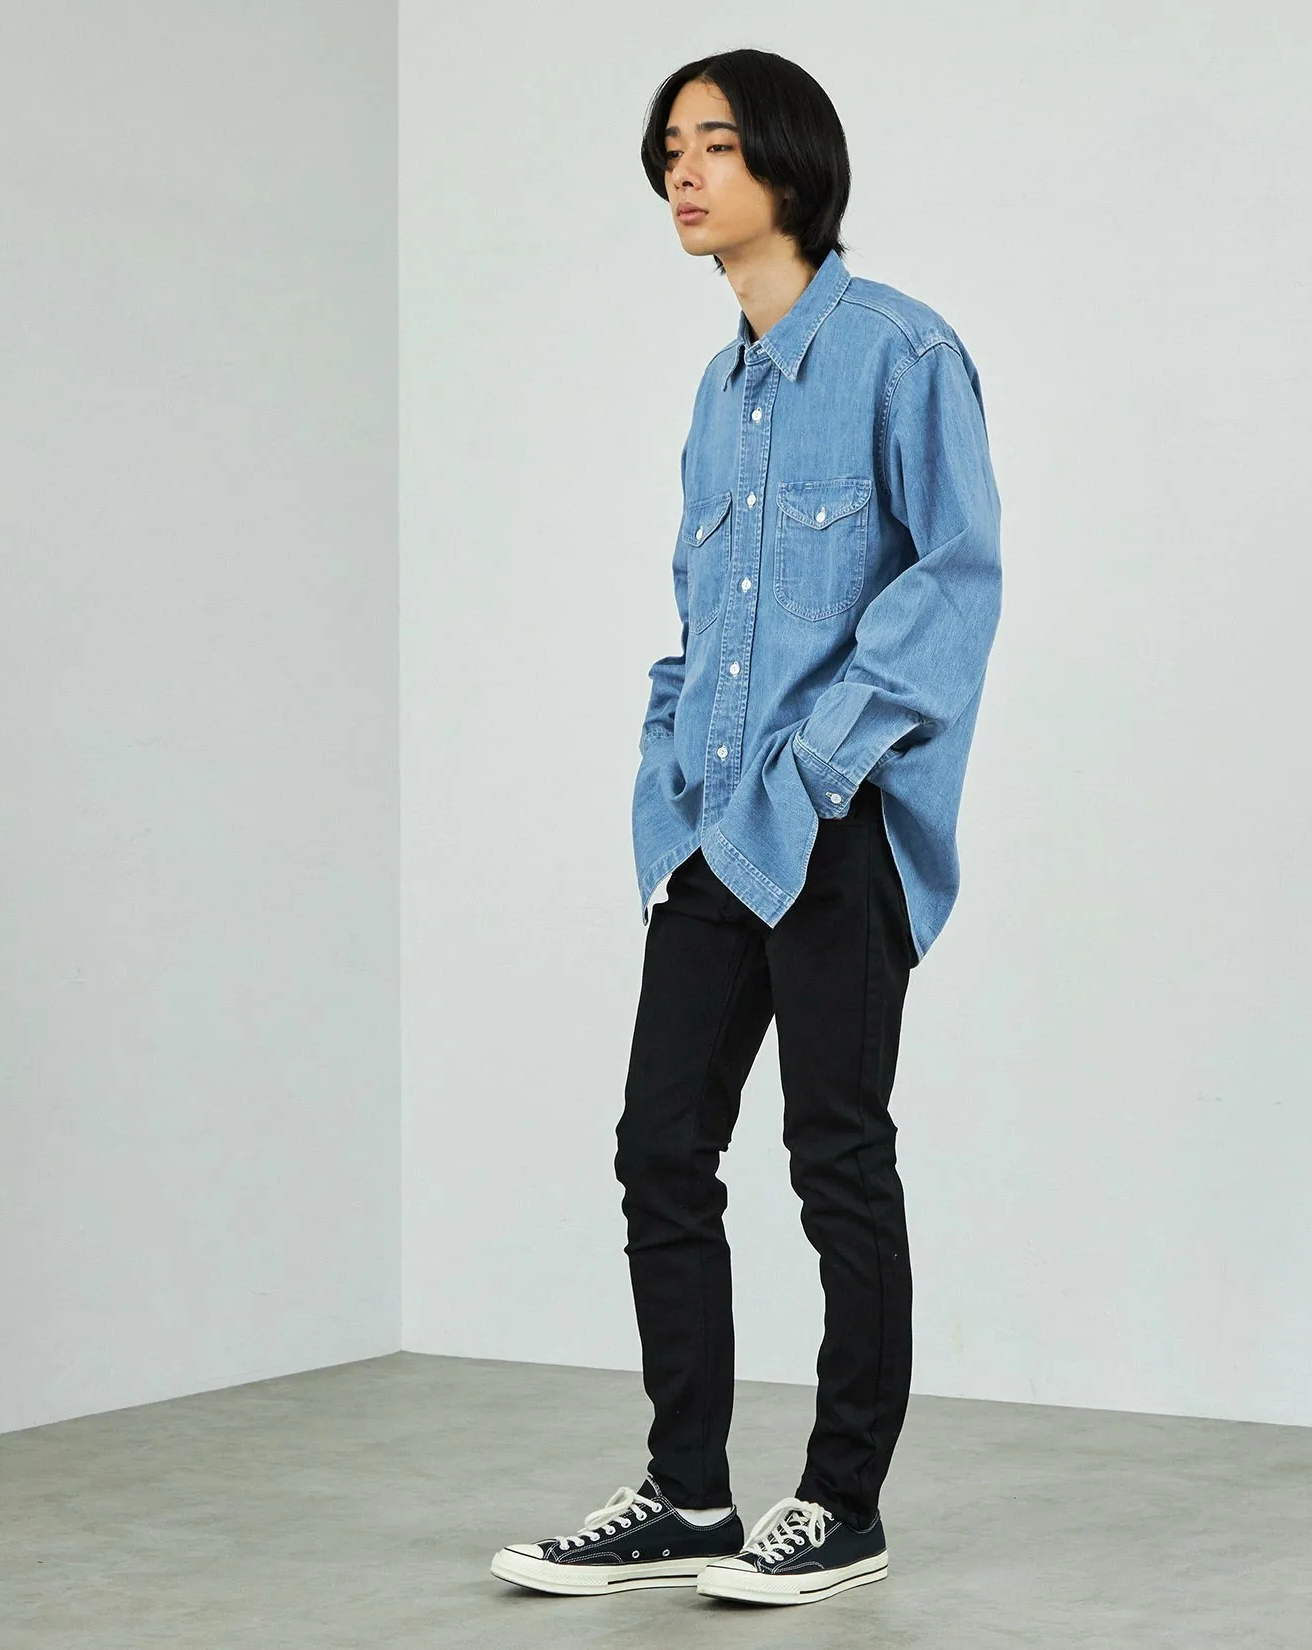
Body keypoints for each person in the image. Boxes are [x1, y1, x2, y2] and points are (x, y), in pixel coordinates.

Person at [490, 46, 1003, 1608]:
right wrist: (671, 787)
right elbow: (699, 623)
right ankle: (689, 1492)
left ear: (788, 159)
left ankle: (841, 1503)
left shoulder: (903, 352)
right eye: (668, 151)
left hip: (840, 824)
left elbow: (953, 587)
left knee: (836, 1157)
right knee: (660, 1147)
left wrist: (821, 766)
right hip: (717, 829)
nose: (683, 173)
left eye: (712, 143)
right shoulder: (718, 400)